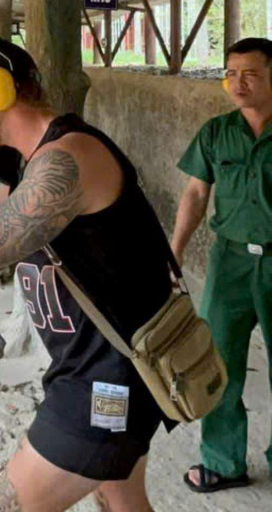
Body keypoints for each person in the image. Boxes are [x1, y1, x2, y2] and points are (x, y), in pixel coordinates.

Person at [0, 37, 174, 511]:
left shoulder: (66, 160)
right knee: (119, 498)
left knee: (7, 506)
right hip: (104, 368)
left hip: (106, 377)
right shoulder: (40, 160)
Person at [173, 37, 272, 493]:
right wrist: (175, 251)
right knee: (217, 365)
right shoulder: (216, 132)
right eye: (231, 73)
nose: (237, 83)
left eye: (249, 73)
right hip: (228, 261)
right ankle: (223, 461)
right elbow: (195, 195)